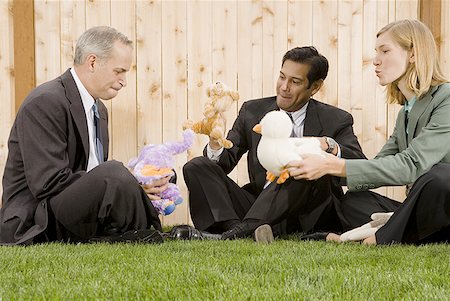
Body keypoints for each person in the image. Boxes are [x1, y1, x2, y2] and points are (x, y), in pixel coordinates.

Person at [0, 26, 167, 245]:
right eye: (119, 71)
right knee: (113, 172)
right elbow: (47, 182)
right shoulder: (45, 102)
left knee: (119, 174)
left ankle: (142, 234)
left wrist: (136, 183)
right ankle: (147, 235)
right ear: (92, 62)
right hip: (38, 216)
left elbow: (91, 178)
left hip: (72, 210)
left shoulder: (99, 110)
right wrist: (124, 179)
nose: (124, 81)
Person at [181, 46, 366, 241]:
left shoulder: (336, 119)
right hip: (258, 205)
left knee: (298, 164)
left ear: (315, 87)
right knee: (196, 166)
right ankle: (235, 229)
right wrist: (215, 144)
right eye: (282, 77)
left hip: (311, 213)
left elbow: (359, 165)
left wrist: (329, 145)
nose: (284, 87)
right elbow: (224, 163)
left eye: (295, 81)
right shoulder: (252, 111)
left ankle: (240, 232)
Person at [290, 20, 450, 245]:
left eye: (385, 51)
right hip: (422, 211)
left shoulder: (446, 98)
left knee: (441, 177)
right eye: (376, 52)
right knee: (355, 200)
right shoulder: (405, 112)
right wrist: (325, 158)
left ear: (413, 54)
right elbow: (381, 165)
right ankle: (401, 228)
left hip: (443, 202)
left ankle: (381, 235)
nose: (375, 60)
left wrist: (331, 165)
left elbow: (412, 165)